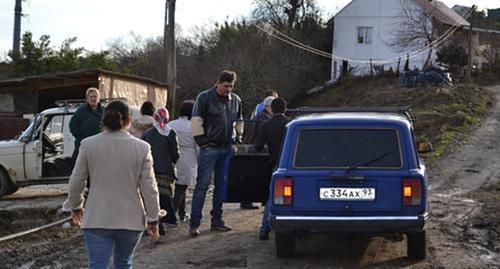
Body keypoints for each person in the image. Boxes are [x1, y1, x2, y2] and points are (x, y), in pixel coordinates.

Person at [67, 100, 160, 269]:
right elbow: (150, 187)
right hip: (131, 220)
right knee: (124, 263)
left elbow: (76, 181)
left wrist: (76, 207)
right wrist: (153, 218)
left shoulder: (88, 144)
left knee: (97, 265)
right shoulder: (142, 148)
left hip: (97, 218)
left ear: (103, 120)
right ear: (129, 120)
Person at [189, 70, 243, 237]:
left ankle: (217, 221)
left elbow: (239, 121)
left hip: (226, 147)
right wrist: (202, 143)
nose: (228, 90)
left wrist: (238, 139)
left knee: (221, 186)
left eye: (231, 87)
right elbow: (196, 121)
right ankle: (194, 224)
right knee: (202, 186)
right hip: (209, 147)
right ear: (218, 83)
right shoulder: (204, 98)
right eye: (226, 86)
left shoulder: (236, 100)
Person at [254, 97, 289, 240]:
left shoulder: (266, 125)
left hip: (276, 164)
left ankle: (264, 230)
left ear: (271, 109)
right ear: (285, 109)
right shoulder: (290, 124)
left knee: (272, 197)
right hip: (291, 164)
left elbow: (258, 146)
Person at [142, 107, 180, 230]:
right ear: (167, 118)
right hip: (165, 170)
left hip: (149, 169)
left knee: (151, 196)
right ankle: (168, 219)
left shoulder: (147, 133)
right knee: (165, 197)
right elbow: (175, 154)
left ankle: (153, 220)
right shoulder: (170, 133)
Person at [240, 95, 275, 210]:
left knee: (251, 176)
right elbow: (263, 135)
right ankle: (250, 201)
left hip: (251, 145)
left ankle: (247, 201)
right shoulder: (265, 118)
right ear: (270, 107)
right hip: (257, 149)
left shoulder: (259, 115)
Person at [167, 100, 198, 223]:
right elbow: (198, 146)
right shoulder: (194, 126)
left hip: (172, 157)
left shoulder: (171, 124)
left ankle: (182, 212)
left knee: (180, 186)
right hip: (188, 157)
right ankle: (171, 215)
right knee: (181, 187)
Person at [69, 87, 104, 166]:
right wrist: (80, 137)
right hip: (83, 145)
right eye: (91, 97)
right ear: (87, 98)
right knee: (77, 167)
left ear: (98, 98)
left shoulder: (103, 111)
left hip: (99, 146)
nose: (93, 99)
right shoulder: (81, 111)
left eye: (95, 97)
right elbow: (72, 125)